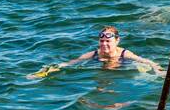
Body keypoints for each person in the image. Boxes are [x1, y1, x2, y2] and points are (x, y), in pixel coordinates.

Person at [32, 25, 160, 78]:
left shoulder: (125, 53)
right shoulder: (93, 54)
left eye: (108, 41)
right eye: (101, 41)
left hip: (124, 66)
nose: (104, 44)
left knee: (141, 70)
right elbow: (69, 63)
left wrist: (158, 70)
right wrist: (45, 71)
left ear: (117, 41)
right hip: (103, 68)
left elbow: (146, 61)